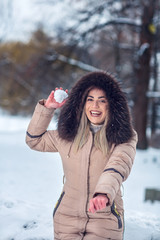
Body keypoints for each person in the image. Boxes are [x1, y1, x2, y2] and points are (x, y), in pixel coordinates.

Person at [26, 71, 138, 240]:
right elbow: (34, 140)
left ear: (112, 105)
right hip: (67, 218)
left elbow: (117, 166)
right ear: (81, 103)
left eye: (102, 101)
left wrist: (103, 193)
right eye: (90, 99)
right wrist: (48, 109)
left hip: (104, 218)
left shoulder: (124, 137)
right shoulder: (67, 135)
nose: (95, 106)